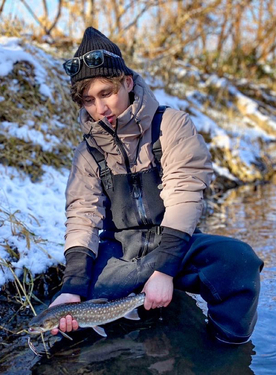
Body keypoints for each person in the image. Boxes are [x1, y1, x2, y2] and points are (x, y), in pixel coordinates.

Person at [48, 27, 264, 345]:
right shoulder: (87, 154)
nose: (100, 108)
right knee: (77, 312)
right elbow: (83, 218)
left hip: (176, 242)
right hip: (122, 254)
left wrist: (163, 271)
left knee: (239, 262)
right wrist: (72, 287)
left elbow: (184, 196)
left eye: (106, 93)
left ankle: (226, 347)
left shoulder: (171, 125)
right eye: (89, 100)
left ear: (128, 82)